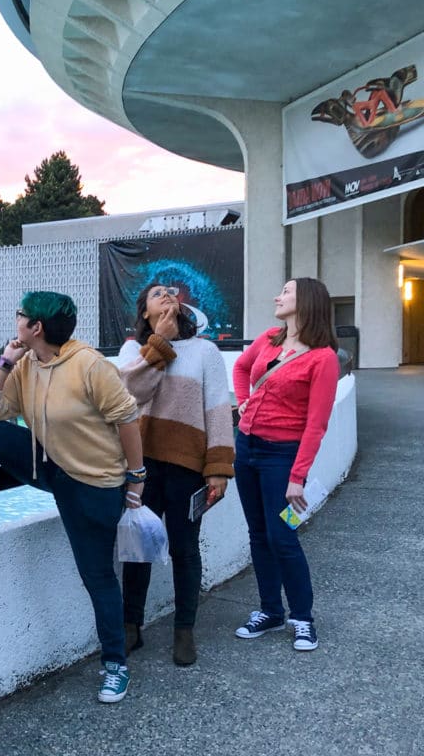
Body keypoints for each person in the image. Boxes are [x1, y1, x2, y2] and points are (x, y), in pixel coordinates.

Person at [0, 291, 144, 704]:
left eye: (21, 316)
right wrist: (5, 364)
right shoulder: (25, 363)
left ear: (36, 327)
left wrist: (136, 478)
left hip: (95, 484)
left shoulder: (89, 365)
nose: (17, 320)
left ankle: (115, 664)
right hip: (49, 468)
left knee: (96, 576)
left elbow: (127, 418)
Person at [117, 282, 235, 666]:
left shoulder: (205, 351)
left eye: (171, 292)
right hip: (141, 467)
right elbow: (129, 394)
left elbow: (218, 409)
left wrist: (218, 468)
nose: (167, 296)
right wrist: (161, 344)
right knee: (138, 549)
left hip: (188, 468)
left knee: (185, 550)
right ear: (145, 313)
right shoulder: (133, 351)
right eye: (156, 295)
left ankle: (184, 630)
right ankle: (131, 626)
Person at [232, 277, 339, 652]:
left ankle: (303, 618)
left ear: (305, 301)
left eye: (287, 291)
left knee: (283, 537)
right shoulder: (267, 339)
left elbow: (317, 423)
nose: (278, 296)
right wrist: (243, 400)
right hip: (246, 448)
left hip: (283, 458)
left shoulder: (323, 357)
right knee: (258, 534)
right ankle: (270, 611)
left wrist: (298, 477)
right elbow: (242, 369)